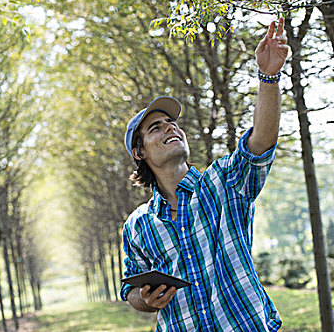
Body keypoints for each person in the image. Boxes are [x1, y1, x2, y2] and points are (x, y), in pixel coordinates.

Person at [120, 18, 289, 331]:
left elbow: (262, 142)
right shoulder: (136, 226)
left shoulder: (224, 182)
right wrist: (148, 299)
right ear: (139, 152)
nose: (170, 127)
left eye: (172, 124)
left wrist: (269, 76)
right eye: (155, 128)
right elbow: (130, 290)